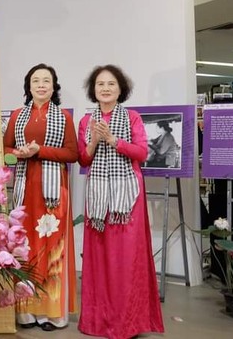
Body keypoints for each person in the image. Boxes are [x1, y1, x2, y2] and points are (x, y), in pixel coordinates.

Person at [77, 65, 164, 339]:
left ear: (120, 89)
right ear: (93, 90)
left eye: (111, 84)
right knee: (100, 259)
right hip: (99, 198)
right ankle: (97, 321)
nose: (105, 88)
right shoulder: (85, 121)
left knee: (128, 259)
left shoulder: (133, 118)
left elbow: (141, 153)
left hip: (127, 200)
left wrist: (113, 140)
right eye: (100, 84)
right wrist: (93, 140)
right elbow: (84, 159)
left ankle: (128, 322)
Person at [3, 63, 79, 331]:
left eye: (46, 80)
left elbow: (73, 154)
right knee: (24, 246)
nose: (41, 85)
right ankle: (26, 311)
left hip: (53, 193)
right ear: (29, 86)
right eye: (36, 81)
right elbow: (4, 150)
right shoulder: (16, 116)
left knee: (52, 249)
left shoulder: (64, 117)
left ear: (54, 86)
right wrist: (19, 153)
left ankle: (52, 313)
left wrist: (40, 151)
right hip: (25, 190)